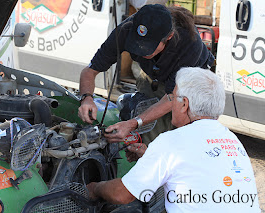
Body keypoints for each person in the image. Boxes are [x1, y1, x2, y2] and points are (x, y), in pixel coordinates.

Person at [86, 67, 261, 212]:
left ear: (184, 104)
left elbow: (121, 194)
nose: (171, 104)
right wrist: (152, 157)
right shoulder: (231, 139)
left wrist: (95, 188)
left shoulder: (171, 141)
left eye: (173, 98)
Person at [78, 4, 215, 144]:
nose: (141, 50)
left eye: (148, 46)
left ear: (169, 37)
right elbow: (90, 70)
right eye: (137, 44)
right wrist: (86, 98)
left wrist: (133, 123)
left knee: (173, 135)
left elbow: (173, 97)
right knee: (144, 128)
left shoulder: (189, 43)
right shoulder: (126, 30)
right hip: (154, 73)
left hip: (192, 80)